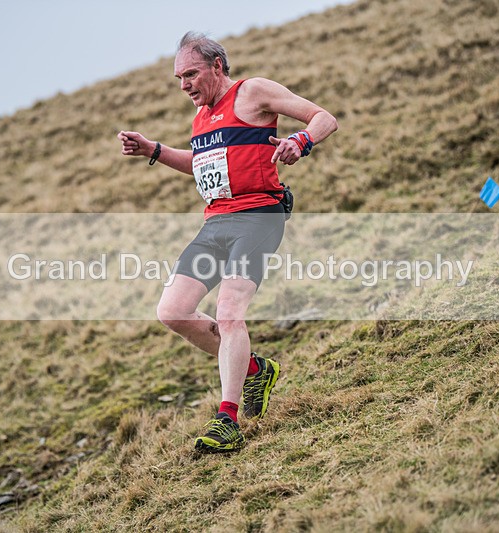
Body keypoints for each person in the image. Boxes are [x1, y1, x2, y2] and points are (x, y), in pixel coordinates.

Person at [118, 31, 337, 452]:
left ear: (217, 66)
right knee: (173, 311)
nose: (184, 85)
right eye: (179, 77)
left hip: (258, 217)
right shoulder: (201, 118)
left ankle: (227, 420)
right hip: (216, 223)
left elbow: (324, 117)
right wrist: (155, 149)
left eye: (191, 74)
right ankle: (256, 369)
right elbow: (200, 164)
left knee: (229, 311)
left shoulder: (252, 92)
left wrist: (300, 140)